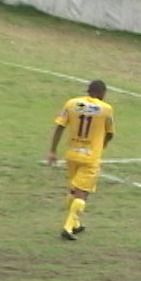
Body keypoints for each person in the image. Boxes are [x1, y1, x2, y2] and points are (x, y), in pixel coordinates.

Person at [46, 80, 115, 240]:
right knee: (82, 194)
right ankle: (68, 227)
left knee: (74, 190)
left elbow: (59, 127)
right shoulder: (106, 109)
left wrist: (52, 151)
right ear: (101, 93)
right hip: (90, 157)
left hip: (71, 154)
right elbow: (110, 133)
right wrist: (102, 145)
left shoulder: (71, 104)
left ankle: (76, 224)